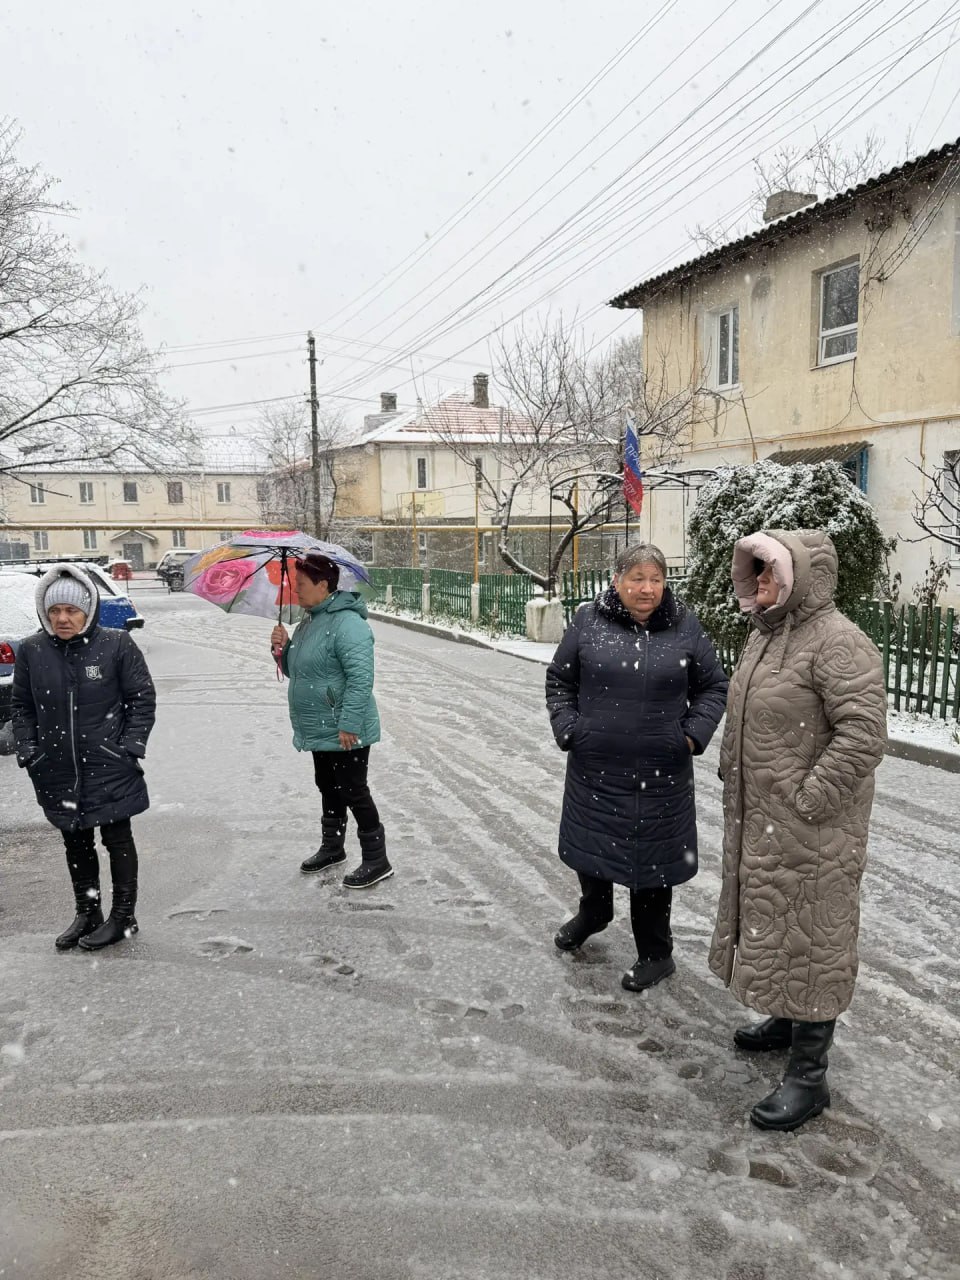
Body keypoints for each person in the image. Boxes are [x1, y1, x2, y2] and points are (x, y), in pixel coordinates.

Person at [709, 529, 887, 1132]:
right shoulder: (766, 636)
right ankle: (787, 1020)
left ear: (801, 576)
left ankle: (810, 1076)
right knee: (779, 923)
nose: (759, 584)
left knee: (815, 937)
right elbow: (758, 715)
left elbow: (863, 735)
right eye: (754, 573)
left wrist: (810, 800)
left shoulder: (839, 643)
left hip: (815, 831)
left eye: (769, 573)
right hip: (764, 822)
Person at [545, 543, 728, 992]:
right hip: (596, 765)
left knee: (653, 863)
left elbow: (714, 687)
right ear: (617, 581)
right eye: (637, 579)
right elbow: (559, 680)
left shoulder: (684, 625)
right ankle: (595, 912)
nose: (647, 589)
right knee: (592, 843)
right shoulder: (589, 620)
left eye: (656, 579)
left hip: (660, 771)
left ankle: (655, 953)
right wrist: (571, 729)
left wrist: (688, 735)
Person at [12, 564, 156, 951]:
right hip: (56, 767)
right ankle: (88, 912)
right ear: (45, 611)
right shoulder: (31, 650)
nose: (62, 618)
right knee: (75, 842)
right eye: (55, 610)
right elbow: (22, 707)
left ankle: (123, 917)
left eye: (71, 611)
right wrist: (29, 751)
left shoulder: (116, 644)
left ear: (88, 610)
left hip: (109, 763)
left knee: (117, 838)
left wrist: (129, 747)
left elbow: (141, 699)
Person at [270, 552, 390, 889]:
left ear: (323, 585)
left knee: (354, 791)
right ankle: (333, 848)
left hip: (345, 728)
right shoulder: (309, 621)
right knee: (328, 787)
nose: (296, 592)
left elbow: (361, 678)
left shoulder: (348, 624)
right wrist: (281, 650)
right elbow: (298, 672)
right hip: (319, 725)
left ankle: (377, 859)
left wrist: (350, 722)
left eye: (302, 585)